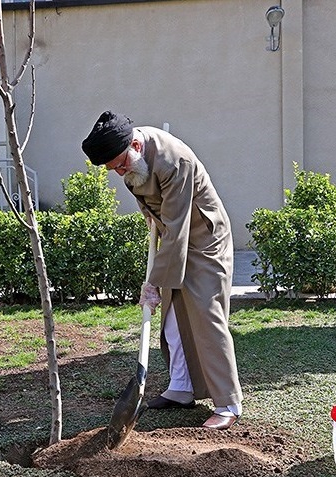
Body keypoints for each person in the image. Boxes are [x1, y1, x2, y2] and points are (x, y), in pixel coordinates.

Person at [81, 111, 244, 430]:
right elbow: (159, 213)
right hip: (173, 233)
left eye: (120, 164)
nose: (119, 172)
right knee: (171, 316)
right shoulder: (129, 159)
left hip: (203, 238)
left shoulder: (174, 161)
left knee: (205, 313)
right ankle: (182, 388)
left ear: (136, 145)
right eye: (112, 169)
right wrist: (149, 216)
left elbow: (178, 227)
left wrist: (153, 283)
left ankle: (228, 402)